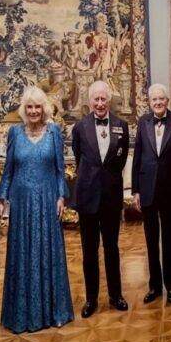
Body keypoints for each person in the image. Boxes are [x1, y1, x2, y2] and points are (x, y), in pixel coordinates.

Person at [0, 87, 73, 333]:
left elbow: (60, 169)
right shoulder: (14, 133)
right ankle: (21, 316)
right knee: (23, 254)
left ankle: (53, 312)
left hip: (48, 200)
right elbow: (8, 169)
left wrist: (61, 196)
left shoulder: (54, 132)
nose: (33, 111)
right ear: (24, 109)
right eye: (29, 106)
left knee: (48, 252)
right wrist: (2, 197)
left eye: (37, 106)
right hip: (21, 204)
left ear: (44, 109)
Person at [71, 80, 130, 318]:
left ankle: (116, 295)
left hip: (111, 197)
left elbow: (121, 160)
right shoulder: (80, 127)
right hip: (87, 197)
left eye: (103, 99)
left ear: (109, 100)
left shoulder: (121, 126)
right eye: (96, 99)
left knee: (112, 248)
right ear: (90, 101)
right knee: (89, 250)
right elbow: (79, 157)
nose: (100, 103)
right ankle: (91, 299)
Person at [131, 83, 171, 304]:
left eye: (161, 99)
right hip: (147, 190)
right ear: (149, 102)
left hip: (170, 190)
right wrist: (135, 190)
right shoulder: (143, 122)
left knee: (170, 240)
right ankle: (154, 286)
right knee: (151, 241)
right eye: (154, 99)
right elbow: (137, 157)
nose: (158, 103)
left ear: (167, 101)